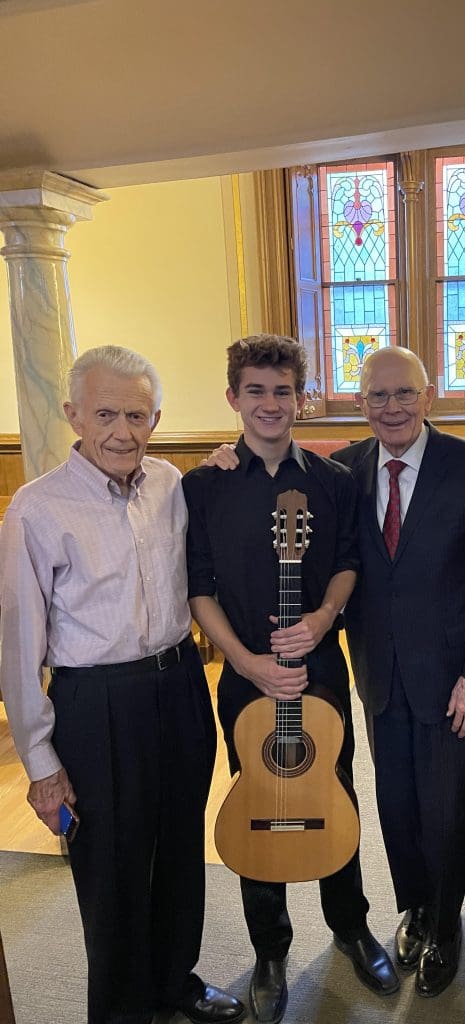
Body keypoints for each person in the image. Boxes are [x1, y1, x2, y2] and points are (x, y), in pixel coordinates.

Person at [0, 346, 244, 1024]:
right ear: (74, 413)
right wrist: (42, 765)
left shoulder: (171, 482)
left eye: (136, 415)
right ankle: (120, 1011)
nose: (121, 431)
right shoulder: (37, 509)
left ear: (156, 418)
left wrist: (229, 462)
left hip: (180, 689)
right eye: (105, 413)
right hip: (95, 703)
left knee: (178, 851)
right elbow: (17, 648)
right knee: (110, 869)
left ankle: (175, 983)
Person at [183, 335, 398, 1024]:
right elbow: (198, 587)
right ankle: (270, 949)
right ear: (233, 398)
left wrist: (323, 616)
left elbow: (347, 562)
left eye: (283, 391)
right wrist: (245, 662)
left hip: (320, 668)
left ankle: (351, 925)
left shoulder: (334, 481)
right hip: (246, 677)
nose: (271, 404)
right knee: (259, 794)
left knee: (331, 790)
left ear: (300, 397)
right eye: (256, 391)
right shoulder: (203, 486)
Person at [333, 347, 465, 996]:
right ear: (360, 404)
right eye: (378, 396)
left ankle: (446, 923)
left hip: (453, 677)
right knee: (397, 800)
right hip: (378, 672)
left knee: (448, 806)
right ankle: (412, 906)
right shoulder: (342, 471)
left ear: (429, 395)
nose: (392, 407)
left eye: (404, 393)